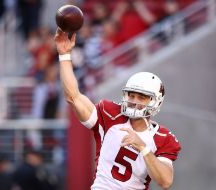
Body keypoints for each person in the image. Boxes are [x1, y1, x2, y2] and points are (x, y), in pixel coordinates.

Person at [54, 28, 181, 189]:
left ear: (155, 102)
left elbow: (165, 181)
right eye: (131, 95)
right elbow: (73, 97)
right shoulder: (110, 114)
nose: (134, 101)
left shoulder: (163, 138)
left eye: (141, 97)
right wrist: (64, 55)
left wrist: (143, 147)